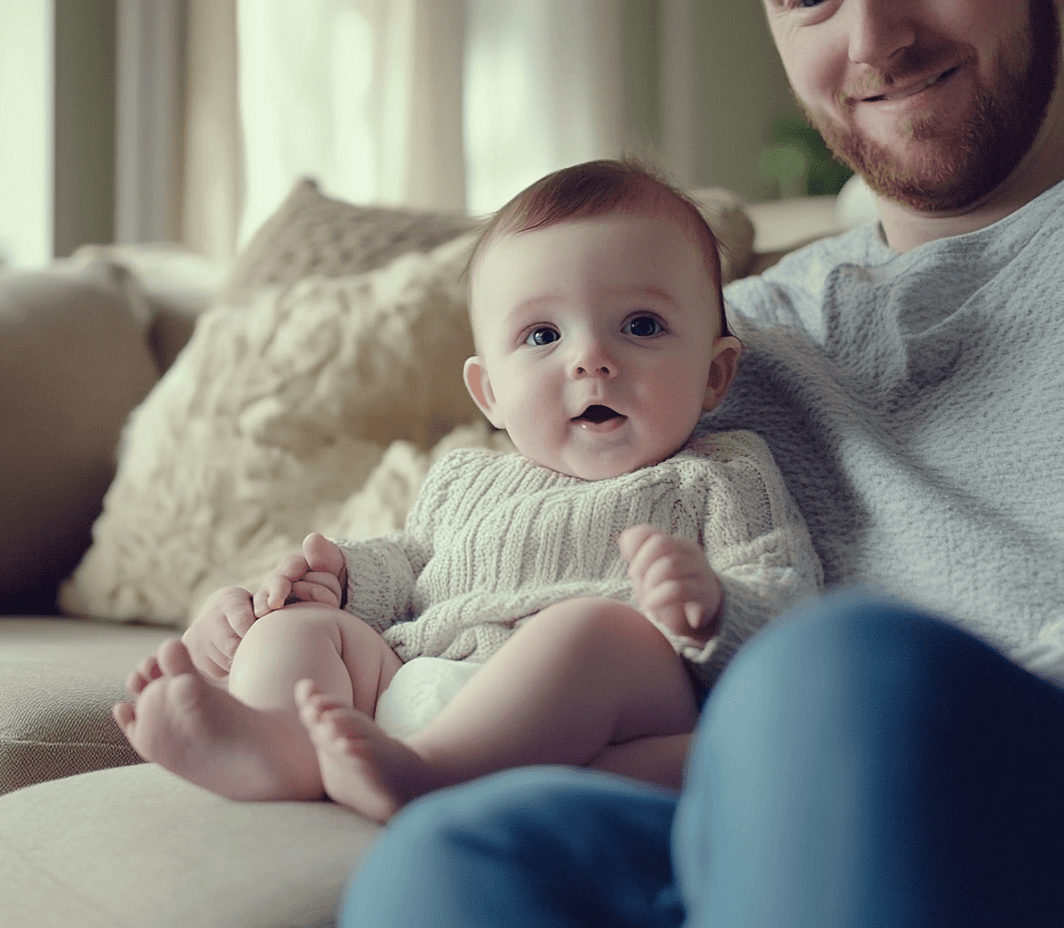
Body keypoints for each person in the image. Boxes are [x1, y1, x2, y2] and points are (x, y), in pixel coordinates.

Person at [340, 0, 1064, 925]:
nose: (875, 37)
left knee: (832, 674)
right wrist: (317, 591)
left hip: (995, 777)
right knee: (451, 863)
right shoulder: (699, 340)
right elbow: (479, 548)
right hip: (744, 803)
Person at [112, 160, 822, 823]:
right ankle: (279, 744)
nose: (591, 359)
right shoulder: (464, 479)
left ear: (713, 375)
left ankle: (429, 775)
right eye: (543, 334)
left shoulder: (723, 473)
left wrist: (715, 607)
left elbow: (790, 604)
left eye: (641, 326)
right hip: (425, 681)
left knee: (593, 630)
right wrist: (340, 579)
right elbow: (412, 563)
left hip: (603, 713)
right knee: (299, 631)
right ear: (489, 393)